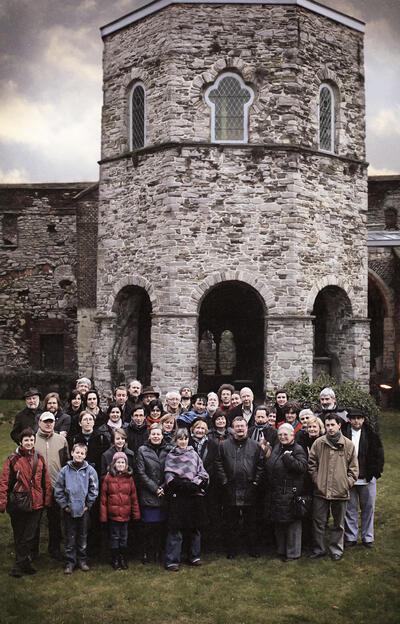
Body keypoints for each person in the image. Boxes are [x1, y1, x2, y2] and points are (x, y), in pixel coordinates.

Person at [0, 428, 52, 577]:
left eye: (31, 440)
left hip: (37, 503)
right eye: (26, 440)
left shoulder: (39, 458)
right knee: (19, 534)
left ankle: (20, 564)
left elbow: (46, 481)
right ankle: (22, 564)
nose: (29, 443)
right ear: (21, 442)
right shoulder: (12, 459)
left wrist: (47, 499)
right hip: (18, 503)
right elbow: (4, 482)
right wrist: (3, 502)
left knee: (29, 535)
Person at [308, 414, 359, 561]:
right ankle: (319, 549)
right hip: (321, 491)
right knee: (319, 522)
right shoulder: (318, 443)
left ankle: (336, 549)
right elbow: (312, 464)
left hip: (340, 492)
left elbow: (354, 470)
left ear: (339, 426)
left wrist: (345, 484)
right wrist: (317, 480)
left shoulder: (348, 445)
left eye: (332, 425)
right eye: (327, 425)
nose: (330, 428)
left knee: (338, 523)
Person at [216, 416, 265, 558]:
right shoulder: (223, 445)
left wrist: (256, 482)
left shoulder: (255, 445)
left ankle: (253, 549)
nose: (240, 428)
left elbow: (261, 465)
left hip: (250, 488)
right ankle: (232, 550)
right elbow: (218, 464)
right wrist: (224, 481)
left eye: (242, 426)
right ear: (232, 428)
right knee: (231, 522)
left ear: (246, 427)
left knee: (251, 522)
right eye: (237, 426)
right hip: (230, 488)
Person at [164, 428, 209, 571]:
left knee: (194, 528)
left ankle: (194, 556)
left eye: (185, 439)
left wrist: (194, 484)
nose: (183, 442)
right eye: (180, 439)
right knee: (175, 529)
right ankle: (172, 560)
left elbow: (203, 473)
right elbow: (169, 476)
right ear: (176, 440)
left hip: (194, 495)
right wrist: (182, 485)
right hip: (178, 496)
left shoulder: (194, 455)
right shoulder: (171, 455)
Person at [54, 442, 99, 574]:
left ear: (85, 455)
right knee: (70, 536)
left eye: (82, 453)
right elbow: (58, 490)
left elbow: (94, 489)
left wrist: (88, 505)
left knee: (83, 536)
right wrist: (64, 505)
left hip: (83, 510)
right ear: (72, 453)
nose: (79, 455)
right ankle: (70, 561)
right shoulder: (64, 471)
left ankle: (82, 560)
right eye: (77, 452)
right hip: (69, 510)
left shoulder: (90, 470)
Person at [265, 423, 308, 561]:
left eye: (285, 435)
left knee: (292, 525)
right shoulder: (278, 447)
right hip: (277, 491)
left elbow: (302, 467)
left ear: (292, 435)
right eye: (280, 435)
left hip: (291, 492)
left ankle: (293, 553)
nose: (283, 437)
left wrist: (288, 458)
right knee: (279, 523)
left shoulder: (297, 449)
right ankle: (281, 550)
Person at [343, 408, 384, 549]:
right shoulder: (343, 433)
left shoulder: (372, 435)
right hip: (349, 477)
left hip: (367, 476)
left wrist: (375, 472)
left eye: (359, 418)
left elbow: (379, 455)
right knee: (350, 508)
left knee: (368, 508)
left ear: (363, 419)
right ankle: (350, 537)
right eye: (353, 418)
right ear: (349, 419)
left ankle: (368, 537)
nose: (356, 421)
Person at [34, 411, 70, 560]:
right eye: (45, 421)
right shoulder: (32, 440)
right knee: (35, 522)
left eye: (51, 421)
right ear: (39, 423)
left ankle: (54, 549)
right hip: (37, 488)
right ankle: (32, 551)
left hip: (56, 487)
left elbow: (67, 461)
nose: (48, 424)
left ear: (54, 423)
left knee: (54, 521)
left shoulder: (61, 440)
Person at [100, 451, 141, 569]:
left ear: (126, 464)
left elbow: (133, 497)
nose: (121, 464)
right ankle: (115, 558)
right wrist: (103, 516)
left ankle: (123, 558)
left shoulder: (129, 478)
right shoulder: (108, 478)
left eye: (123, 462)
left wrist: (136, 514)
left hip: (126, 514)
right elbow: (103, 499)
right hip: (113, 515)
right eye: (118, 462)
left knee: (124, 537)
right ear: (114, 464)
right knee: (115, 537)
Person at [136, 423, 169, 563]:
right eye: (153, 434)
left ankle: (159, 552)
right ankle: (146, 553)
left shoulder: (169, 449)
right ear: (149, 436)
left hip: (164, 492)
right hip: (148, 493)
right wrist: (155, 488)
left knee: (161, 527)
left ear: (162, 436)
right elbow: (141, 473)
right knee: (148, 526)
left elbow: (171, 470)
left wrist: (163, 487)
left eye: (158, 434)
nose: (156, 436)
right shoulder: (142, 450)